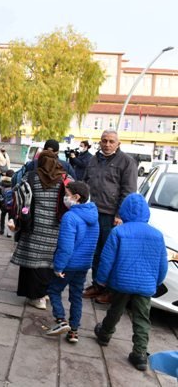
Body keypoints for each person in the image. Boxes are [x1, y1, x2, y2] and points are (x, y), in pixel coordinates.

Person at [94, 193, 167, 371]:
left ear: (124, 211)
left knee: (116, 310)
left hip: (121, 282)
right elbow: (162, 264)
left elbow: (107, 259)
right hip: (145, 285)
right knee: (142, 318)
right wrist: (156, 282)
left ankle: (104, 335)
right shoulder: (157, 235)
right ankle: (140, 354)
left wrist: (101, 280)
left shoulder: (118, 232)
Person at [82, 130, 138, 304]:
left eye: (111, 141)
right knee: (95, 251)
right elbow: (84, 183)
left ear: (118, 143)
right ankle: (97, 285)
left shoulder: (126, 162)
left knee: (109, 253)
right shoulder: (93, 160)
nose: (107, 144)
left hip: (111, 215)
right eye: (104, 141)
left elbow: (128, 191)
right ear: (100, 142)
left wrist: (120, 215)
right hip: (92, 212)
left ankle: (110, 290)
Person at [10, 150, 66, 310]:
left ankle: (36, 297)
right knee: (48, 263)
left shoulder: (32, 176)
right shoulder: (64, 178)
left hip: (34, 226)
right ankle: (45, 293)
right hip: (55, 227)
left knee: (32, 263)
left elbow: (19, 192)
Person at [45, 181, 99, 343]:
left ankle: (61, 321)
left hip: (69, 264)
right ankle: (74, 331)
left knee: (54, 290)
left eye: (67, 195)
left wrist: (58, 266)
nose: (64, 198)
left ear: (76, 197)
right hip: (84, 264)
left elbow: (66, 246)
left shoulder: (70, 217)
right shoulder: (94, 216)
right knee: (76, 296)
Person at [0, 169, 15, 237]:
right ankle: (9, 233)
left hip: (3, 203)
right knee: (11, 218)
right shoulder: (14, 183)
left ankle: (2, 230)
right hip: (11, 204)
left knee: (2, 216)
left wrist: (1, 199)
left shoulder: (2, 182)